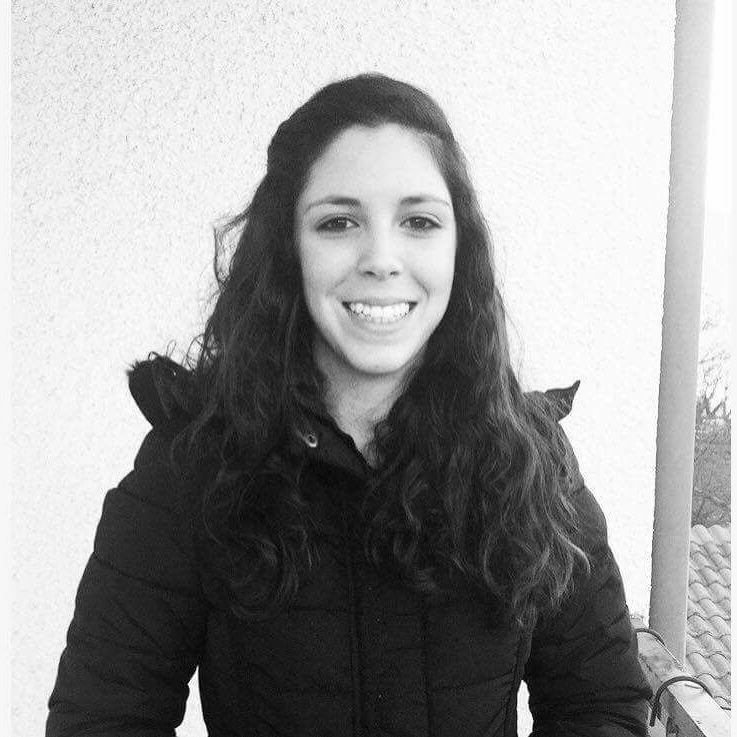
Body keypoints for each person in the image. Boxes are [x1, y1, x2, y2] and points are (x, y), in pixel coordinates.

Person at [47, 73, 652, 737]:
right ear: (288, 247)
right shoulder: (194, 462)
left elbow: (600, 705)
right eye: (338, 222)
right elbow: (102, 716)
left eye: (419, 221)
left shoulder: (529, 461)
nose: (381, 259)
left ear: (460, 248)